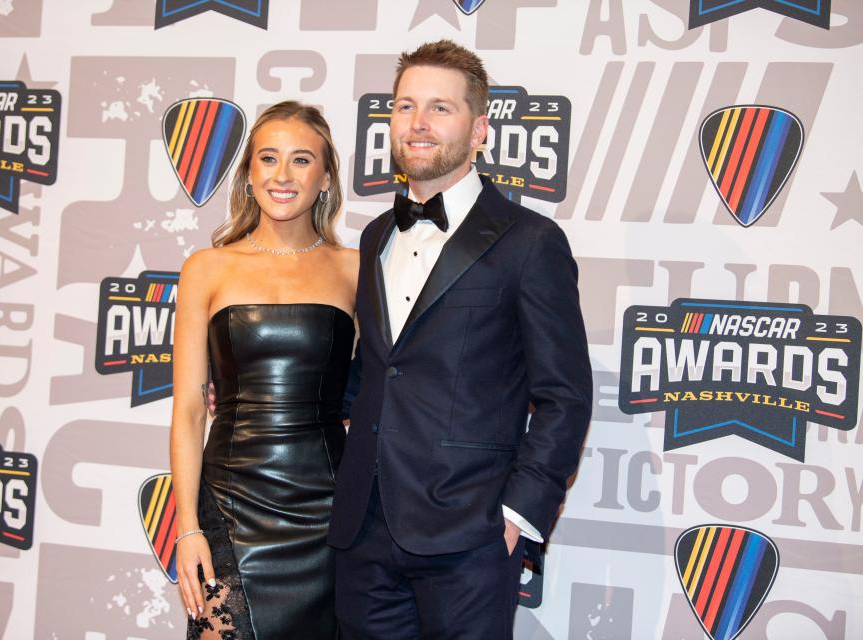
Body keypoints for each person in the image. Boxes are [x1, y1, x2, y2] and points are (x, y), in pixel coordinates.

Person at [328, 40, 593, 639]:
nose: (417, 123)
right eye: (404, 107)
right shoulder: (374, 238)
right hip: (363, 532)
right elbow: (374, 371)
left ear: (480, 130)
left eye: (440, 109)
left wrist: (516, 515)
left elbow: (565, 396)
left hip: (468, 538)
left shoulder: (529, 242)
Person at [169, 101, 358, 640]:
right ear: (248, 174)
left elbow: (376, 391)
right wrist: (187, 528)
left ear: (325, 179)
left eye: (302, 160)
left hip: (326, 507)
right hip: (230, 503)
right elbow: (187, 410)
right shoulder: (207, 267)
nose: (282, 175)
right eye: (268, 158)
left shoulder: (356, 270)